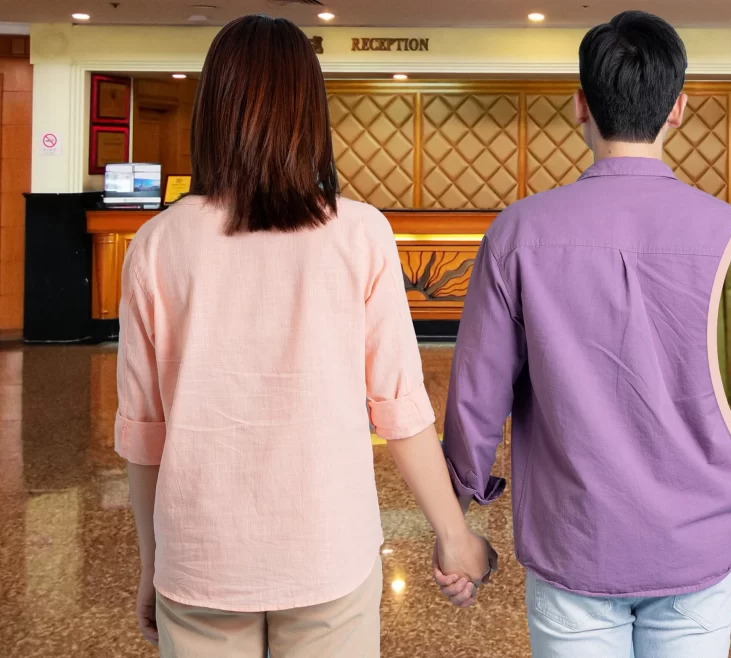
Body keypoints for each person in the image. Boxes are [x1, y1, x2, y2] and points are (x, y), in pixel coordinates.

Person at [115, 15, 493, 658]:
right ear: (309, 115)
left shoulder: (155, 245)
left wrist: (152, 562)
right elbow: (398, 407)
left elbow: (145, 432)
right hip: (327, 549)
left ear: (212, 112)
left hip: (200, 557)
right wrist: (454, 536)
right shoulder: (361, 234)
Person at [434, 10, 731, 658]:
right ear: (678, 109)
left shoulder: (518, 233)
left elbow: (477, 399)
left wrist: (457, 520)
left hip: (574, 545)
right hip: (697, 543)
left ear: (579, 106)